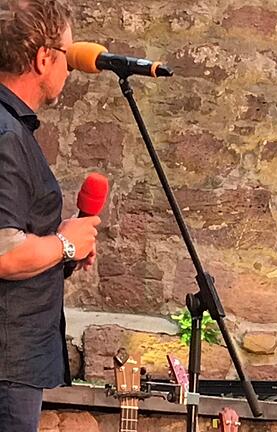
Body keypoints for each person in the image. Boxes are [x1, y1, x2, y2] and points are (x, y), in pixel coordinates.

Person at [0, 1, 101, 430]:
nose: (70, 68)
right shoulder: (6, 135)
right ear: (44, 58)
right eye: (67, 55)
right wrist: (66, 244)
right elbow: (3, 252)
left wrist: (58, 244)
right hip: (7, 362)